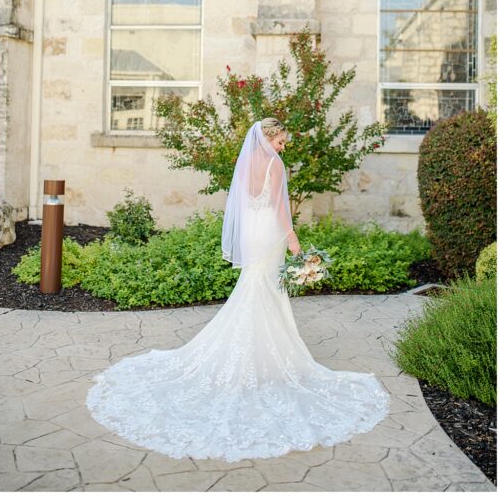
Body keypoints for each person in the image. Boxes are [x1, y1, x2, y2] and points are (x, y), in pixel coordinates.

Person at [85, 118, 389, 461]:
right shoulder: (275, 164)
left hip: (251, 232)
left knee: (256, 289)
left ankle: (258, 356)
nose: (283, 147)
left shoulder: (246, 163)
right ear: (269, 138)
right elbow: (278, 206)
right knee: (267, 292)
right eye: (281, 142)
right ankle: (263, 360)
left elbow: (244, 206)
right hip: (270, 232)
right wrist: (293, 240)